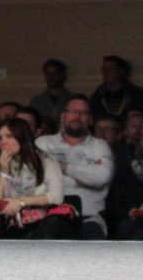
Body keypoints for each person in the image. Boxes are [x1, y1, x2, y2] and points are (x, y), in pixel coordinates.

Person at [35, 95, 114, 239]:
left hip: (89, 219)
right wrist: (85, 181)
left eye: (83, 113)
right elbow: (37, 178)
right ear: (62, 116)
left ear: (90, 120)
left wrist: (59, 166)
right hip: (49, 217)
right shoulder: (43, 143)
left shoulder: (100, 146)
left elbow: (103, 176)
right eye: (72, 111)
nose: (77, 116)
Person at [0, 118, 72, 239]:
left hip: (42, 226)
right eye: (0, 138)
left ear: (22, 137)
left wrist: (21, 202)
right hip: (13, 228)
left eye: (9, 136)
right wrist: (3, 172)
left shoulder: (45, 161)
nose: (3, 142)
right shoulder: (1, 165)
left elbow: (56, 196)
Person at [90, 55, 143, 120]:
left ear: (121, 72)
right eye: (104, 69)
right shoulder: (97, 97)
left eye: (110, 69)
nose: (106, 72)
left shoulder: (136, 95)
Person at [29, 59, 74, 126]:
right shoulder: (37, 101)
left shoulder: (72, 99)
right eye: (47, 74)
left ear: (62, 75)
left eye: (54, 73)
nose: (50, 77)